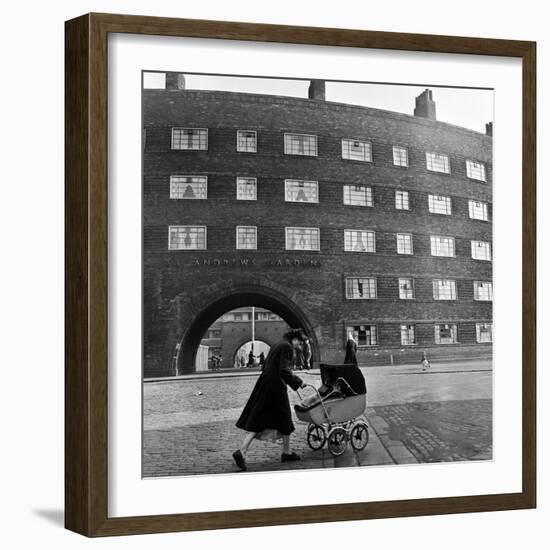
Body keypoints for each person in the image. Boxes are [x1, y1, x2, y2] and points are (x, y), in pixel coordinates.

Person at [232, 329, 308, 471]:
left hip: (265, 385)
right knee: (284, 417)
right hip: (275, 387)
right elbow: (283, 370)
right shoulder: (287, 347)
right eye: (300, 343)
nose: (300, 346)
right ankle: (284, 453)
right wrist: (298, 382)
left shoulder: (278, 345)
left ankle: (245, 451)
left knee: (260, 419)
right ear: (295, 339)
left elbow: (270, 366)